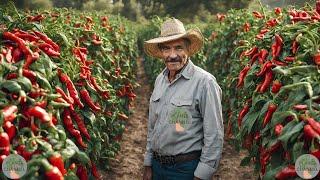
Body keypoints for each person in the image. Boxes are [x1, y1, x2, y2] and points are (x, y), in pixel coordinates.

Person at [142, 18, 224, 180]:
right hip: (158, 167)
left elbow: (214, 134)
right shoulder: (160, 80)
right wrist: (148, 163)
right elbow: (153, 126)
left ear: (188, 49)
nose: (172, 55)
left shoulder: (204, 82)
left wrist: (202, 175)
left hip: (185, 169)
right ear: (161, 53)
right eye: (166, 49)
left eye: (178, 48)